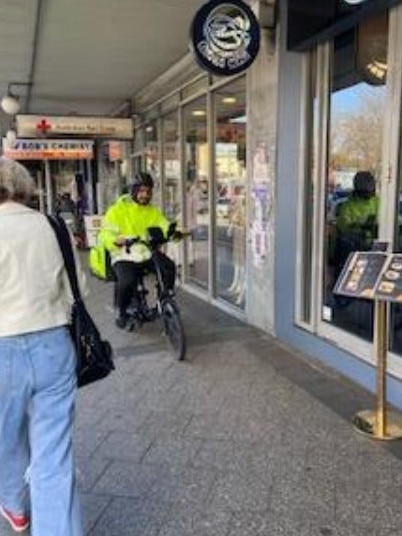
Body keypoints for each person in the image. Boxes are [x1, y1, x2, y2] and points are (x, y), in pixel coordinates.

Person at [0, 157, 85, 536]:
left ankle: (15, 507)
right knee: (55, 454)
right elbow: (74, 286)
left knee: (5, 437)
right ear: (22, 187)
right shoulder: (51, 224)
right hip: (54, 343)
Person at [99, 172, 177, 329]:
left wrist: (174, 232)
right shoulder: (117, 210)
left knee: (168, 266)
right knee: (127, 282)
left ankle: (164, 298)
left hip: (144, 252)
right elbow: (105, 233)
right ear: (133, 191)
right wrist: (115, 240)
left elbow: (163, 224)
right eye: (141, 191)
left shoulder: (152, 211)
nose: (145, 195)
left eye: (148, 191)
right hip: (123, 254)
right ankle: (121, 311)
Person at [334, 170, 379, 276]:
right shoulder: (347, 206)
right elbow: (343, 228)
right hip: (355, 251)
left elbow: (392, 221)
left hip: (375, 248)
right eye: (366, 186)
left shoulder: (378, 201)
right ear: (358, 187)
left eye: (371, 185)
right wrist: (362, 227)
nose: (370, 189)